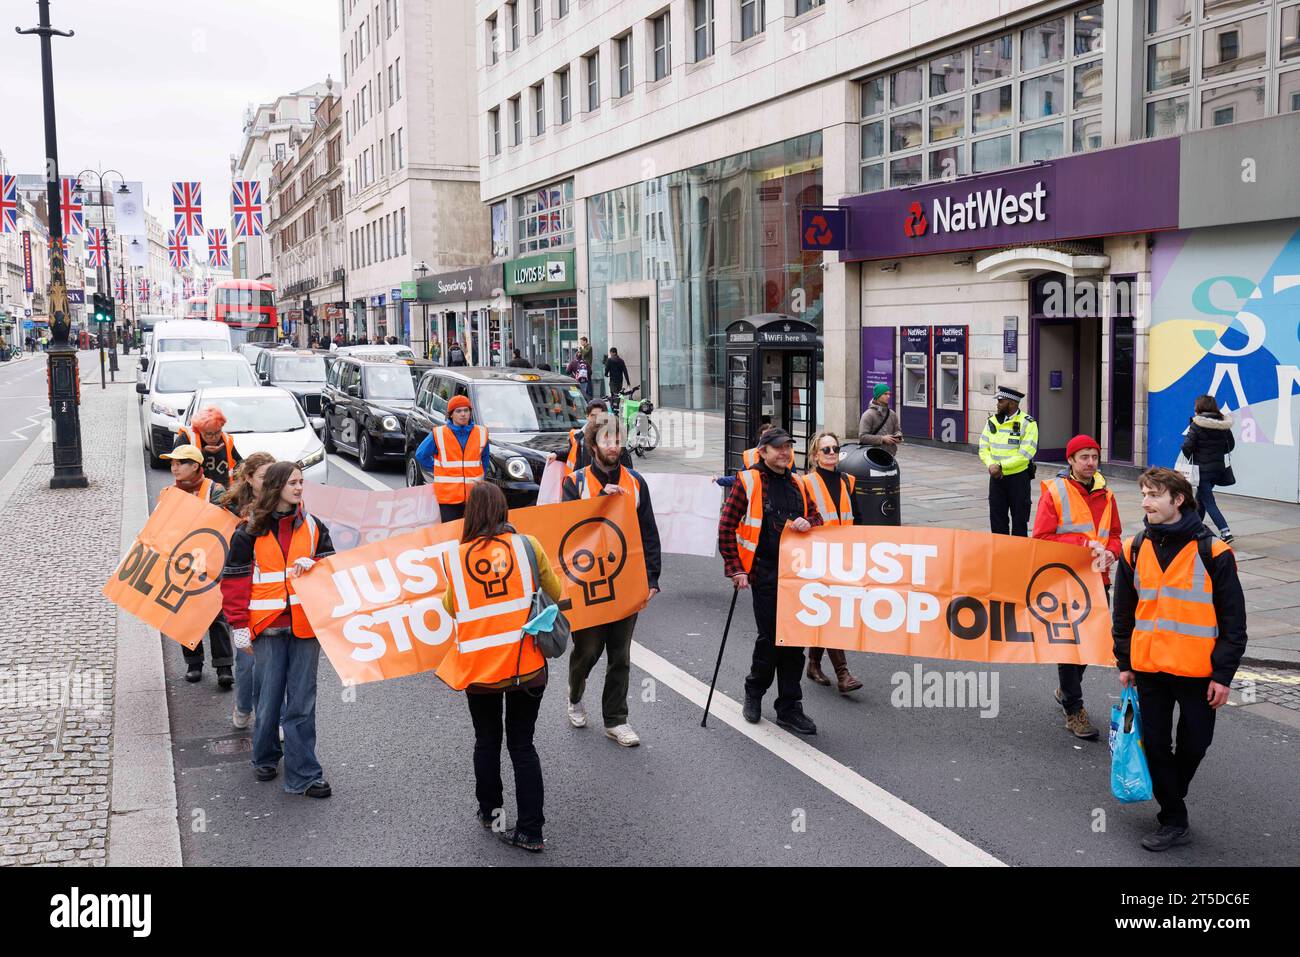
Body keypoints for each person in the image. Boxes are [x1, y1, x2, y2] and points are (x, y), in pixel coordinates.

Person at [1112, 467, 1247, 852]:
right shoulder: (1134, 548)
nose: (1145, 502)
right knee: (1154, 745)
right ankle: (1173, 817)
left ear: (1178, 500)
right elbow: (1123, 612)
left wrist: (1223, 675)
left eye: (1154, 495)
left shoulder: (1214, 552)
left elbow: (1234, 622)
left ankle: (1171, 792)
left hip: (1197, 672)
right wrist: (1125, 662)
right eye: (1143, 494)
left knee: (1195, 745)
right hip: (1149, 668)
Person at [439, 482, 562, 852]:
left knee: (487, 740)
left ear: (471, 514)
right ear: (504, 509)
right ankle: (530, 831)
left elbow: (451, 607)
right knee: (523, 745)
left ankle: (490, 810)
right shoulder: (528, 546)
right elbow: (554, 592)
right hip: (526, 666)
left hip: (480, 671)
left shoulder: (458, 558)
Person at [220, 462, 335, 798]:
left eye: (302, 482)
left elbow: (332, 568)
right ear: (275, 487)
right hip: (267, 628)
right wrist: (238, 625)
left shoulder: (314, 527)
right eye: (293, 483)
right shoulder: (248, 531)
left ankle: (304, 774)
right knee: (268, 701)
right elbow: (235, 581)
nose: (300, 488)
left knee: (302, 703)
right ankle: (265, 756)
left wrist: (316, 564)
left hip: (304, 627)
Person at [561, 413, 662, 746]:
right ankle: (575, 693)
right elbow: (567, 533)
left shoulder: (635, 482)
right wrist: (601, 499)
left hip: (625, 580)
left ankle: (616, 719)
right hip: (588, 583)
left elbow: (648, 532)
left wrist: (652, 578)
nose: (614, 446)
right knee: (588, 650)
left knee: (620, 654)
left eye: (618, 440)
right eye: (607, 440)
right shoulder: (574, 483)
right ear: (593, 444)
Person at [718, 428, 822, 734]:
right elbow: (726, 528)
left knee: (795, 644)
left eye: (788, 447)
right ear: (762, 451)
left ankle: (790, 707)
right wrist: (736, 569)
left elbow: (817, 517)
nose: (785, 453)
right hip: (763, 573)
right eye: (778, 448)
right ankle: (754, 691)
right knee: (771, 640)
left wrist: (809, 522)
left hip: (797, 576)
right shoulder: (748, 481)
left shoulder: (798, 484)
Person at [1031, 434, 1121, 740]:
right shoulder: (1055, 492)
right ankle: (1074, 709)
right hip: (1066, 580)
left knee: (1090, 643)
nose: (1090, 463)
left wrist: (1113, 551)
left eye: (1094, 457)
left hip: (1098, 579)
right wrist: (1083, 544)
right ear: (1070, 460)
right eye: (1084, 457)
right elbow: (1041, 538)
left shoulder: (1107, 494)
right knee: (1070, 643)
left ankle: (1066, 690)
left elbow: (1117, 535)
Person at [161, 445, 233, 686]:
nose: (174, 467)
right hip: (181, 562)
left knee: (216, 614)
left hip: (210, 562)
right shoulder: (169, 492)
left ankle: (224, 667)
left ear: (196, 467)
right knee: (184, 613)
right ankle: (194, 664)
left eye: (180, 462)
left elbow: (227, 520)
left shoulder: (215, 490)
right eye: (172, 463)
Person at [800, 431, 864, 694]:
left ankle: (813, 663)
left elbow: (857, 519)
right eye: (825, 449)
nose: (831, 453)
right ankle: (843, 673)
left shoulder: (848, 481)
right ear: (815, 455)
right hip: (816, 557)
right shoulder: (805, 482)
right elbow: (800, 518)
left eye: (835, 448)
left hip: (843, 557)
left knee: (829, 613)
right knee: (831, 614)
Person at [218, 452, 276, 730]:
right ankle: (243, 705)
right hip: (244, 594)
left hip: (273, 598)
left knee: (274, 669)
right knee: (247, 664)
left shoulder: (284, 504)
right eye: (265, 477)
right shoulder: (230, 508)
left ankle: (268, 717)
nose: (270, 483)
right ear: (249, 478)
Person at [415, 394, 490, 522]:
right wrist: (437, 468)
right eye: (458, 411)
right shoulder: (439, 433)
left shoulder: (482, 432)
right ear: (451, 414)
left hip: (474, 496)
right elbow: (421, 455)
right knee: (451, 536)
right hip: (448, 498)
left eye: (466, 410)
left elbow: (485, 459)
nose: (463, 414)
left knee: (471, 535)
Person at [978, 385, 1038, 537]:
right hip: (997, 478)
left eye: (1001, 401)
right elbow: (983, 447)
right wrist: (991, 465)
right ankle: (1000, 554)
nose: (997, 404)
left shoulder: (1028, 423)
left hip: (1018, 479)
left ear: (1012, 403)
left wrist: (1000, 466)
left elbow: (1026, 453)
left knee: (1020, 520)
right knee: (997, 520)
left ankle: (1018, 556)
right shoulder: (992, 421)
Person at [1181, 395, 1236, 545]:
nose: (1194, 408)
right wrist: (1217, 453)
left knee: (1209, 501)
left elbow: (1187, 446)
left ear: (1199, 407)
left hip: (1202, 469)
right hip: (1217, 468)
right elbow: (1230, 445)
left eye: (1195, 405)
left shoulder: (1197, 424)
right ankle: (1196, 529)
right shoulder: (1223, 424)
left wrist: (1192, 456)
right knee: (1201, 499)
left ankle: (1225, 531)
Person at [177, 405, 243, 487]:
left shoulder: (226, 439)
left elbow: (239, 463)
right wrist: (203, 452)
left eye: (218, 432)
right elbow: (177, 464)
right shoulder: (186, 438)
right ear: (199, 430)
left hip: (222, 491)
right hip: (194, 491)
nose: (214, 437)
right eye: (209, 434)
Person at [858, 383, 903, 451]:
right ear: (878, 396)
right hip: (873, 454)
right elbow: (863, 437)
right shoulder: (868, 415)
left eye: (889, 394)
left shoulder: (892, 414)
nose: (888, 396)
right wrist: (882, 439)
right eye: (885, 394)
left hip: (890, 454)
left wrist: (898, 436)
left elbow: (897, 430)